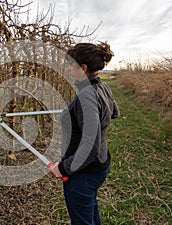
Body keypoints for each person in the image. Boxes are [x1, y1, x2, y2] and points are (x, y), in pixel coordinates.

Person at [49, 42, 119, 224]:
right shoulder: (102, 86)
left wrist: (63, 168)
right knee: (90, 211)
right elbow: (114, 112)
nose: (69, 70)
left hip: (83, 173)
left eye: (71, 66)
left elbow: (91, 145)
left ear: (84, 68)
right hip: (100, 166)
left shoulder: (86, 94)